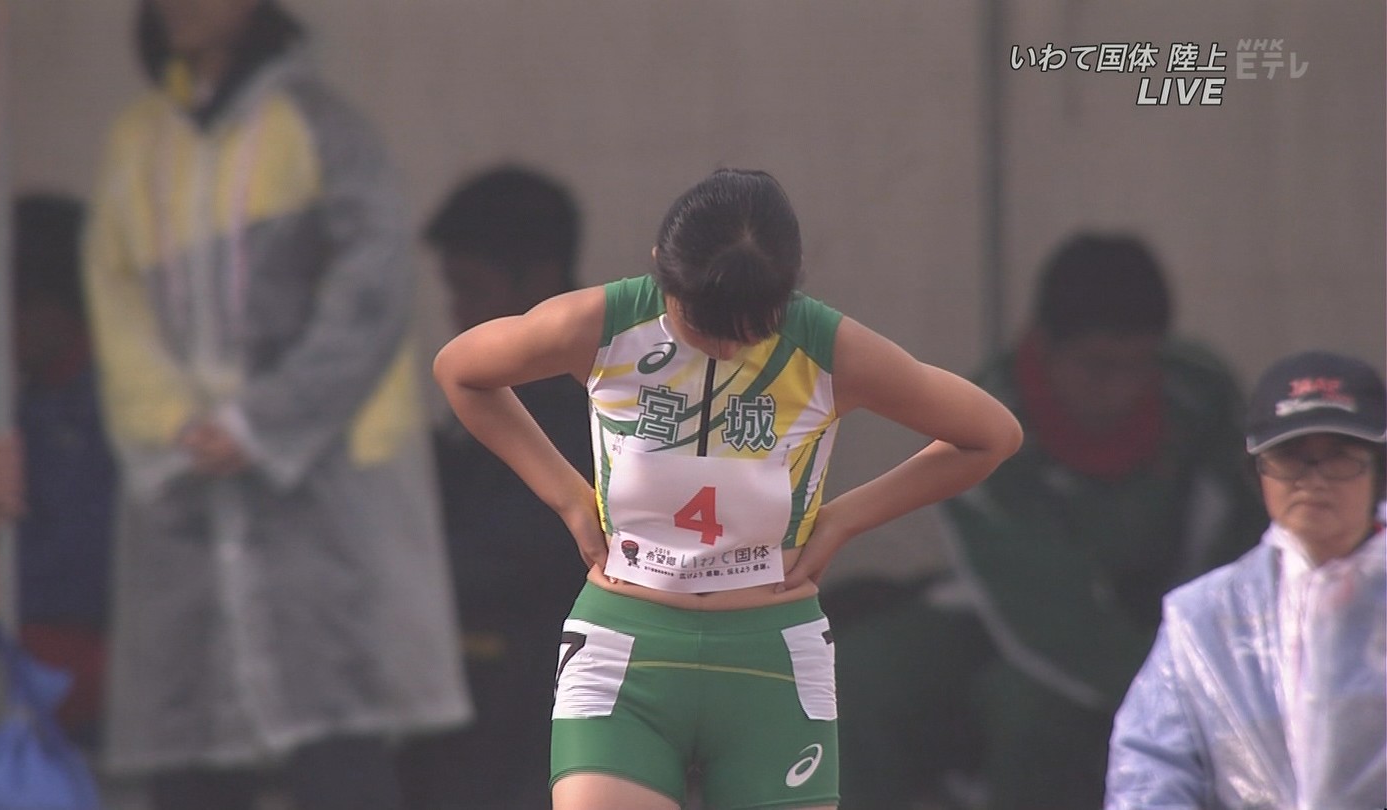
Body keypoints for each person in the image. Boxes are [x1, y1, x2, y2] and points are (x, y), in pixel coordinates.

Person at [433, 168, 1023, 810]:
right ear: (661, 270)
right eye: (699, 318)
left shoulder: (826, 346)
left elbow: (990, 435)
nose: (721, 341)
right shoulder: (603, 323)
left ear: (788, 289)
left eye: (749, 324)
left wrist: (844, 519)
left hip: (769, 658)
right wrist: (568, 497)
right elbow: (462, 371)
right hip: (626, 649)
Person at [81, 1, 470, 808]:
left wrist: (262, 421)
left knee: (337, 742)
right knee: (193, 756)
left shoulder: (322, 127)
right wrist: (173, 423)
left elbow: (370, 294)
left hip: (320, 500)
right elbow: (115, 300)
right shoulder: (137, 140)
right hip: (187, 491)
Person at [833, 233, 1267, 809]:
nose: (1120, 389)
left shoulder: (1198, 392)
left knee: (1032, 711)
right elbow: (1050, 620)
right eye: (1097, 367)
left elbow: (1244, 539)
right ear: (1045, 348)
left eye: (1139, 365)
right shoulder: (980, 422)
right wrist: (1172, 694)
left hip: (1172, 609)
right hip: (1008, 613)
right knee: (861, 674)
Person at [1106, 350, 1386, 809]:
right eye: (1291, 458)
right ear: (1258, 474)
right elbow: (1150, 770)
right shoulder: (1204, 619)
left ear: (1379, 470)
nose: (1314, 481)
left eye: (1340, 458)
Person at [400, 165, 593, 809]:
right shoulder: (487, 401)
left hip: (529, 718)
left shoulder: (591, 410)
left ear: (537, 282)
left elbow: (510, 557)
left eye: (470, 290)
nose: (456, 314)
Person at [10, 194, 117, 750]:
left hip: (82, 661)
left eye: (18, 306)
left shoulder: (105, 405)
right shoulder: (32, 397)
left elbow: (82, 565)